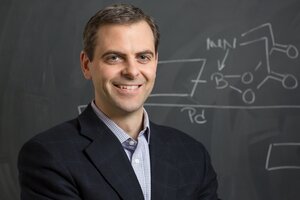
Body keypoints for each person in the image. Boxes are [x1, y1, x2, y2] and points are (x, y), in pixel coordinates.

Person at [18, 3, 220, 200]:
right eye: (114, 57)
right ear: (86, 65)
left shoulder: (192, 154)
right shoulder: (49, 156)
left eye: (143, 57)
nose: (132, 71)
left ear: (155, 62)